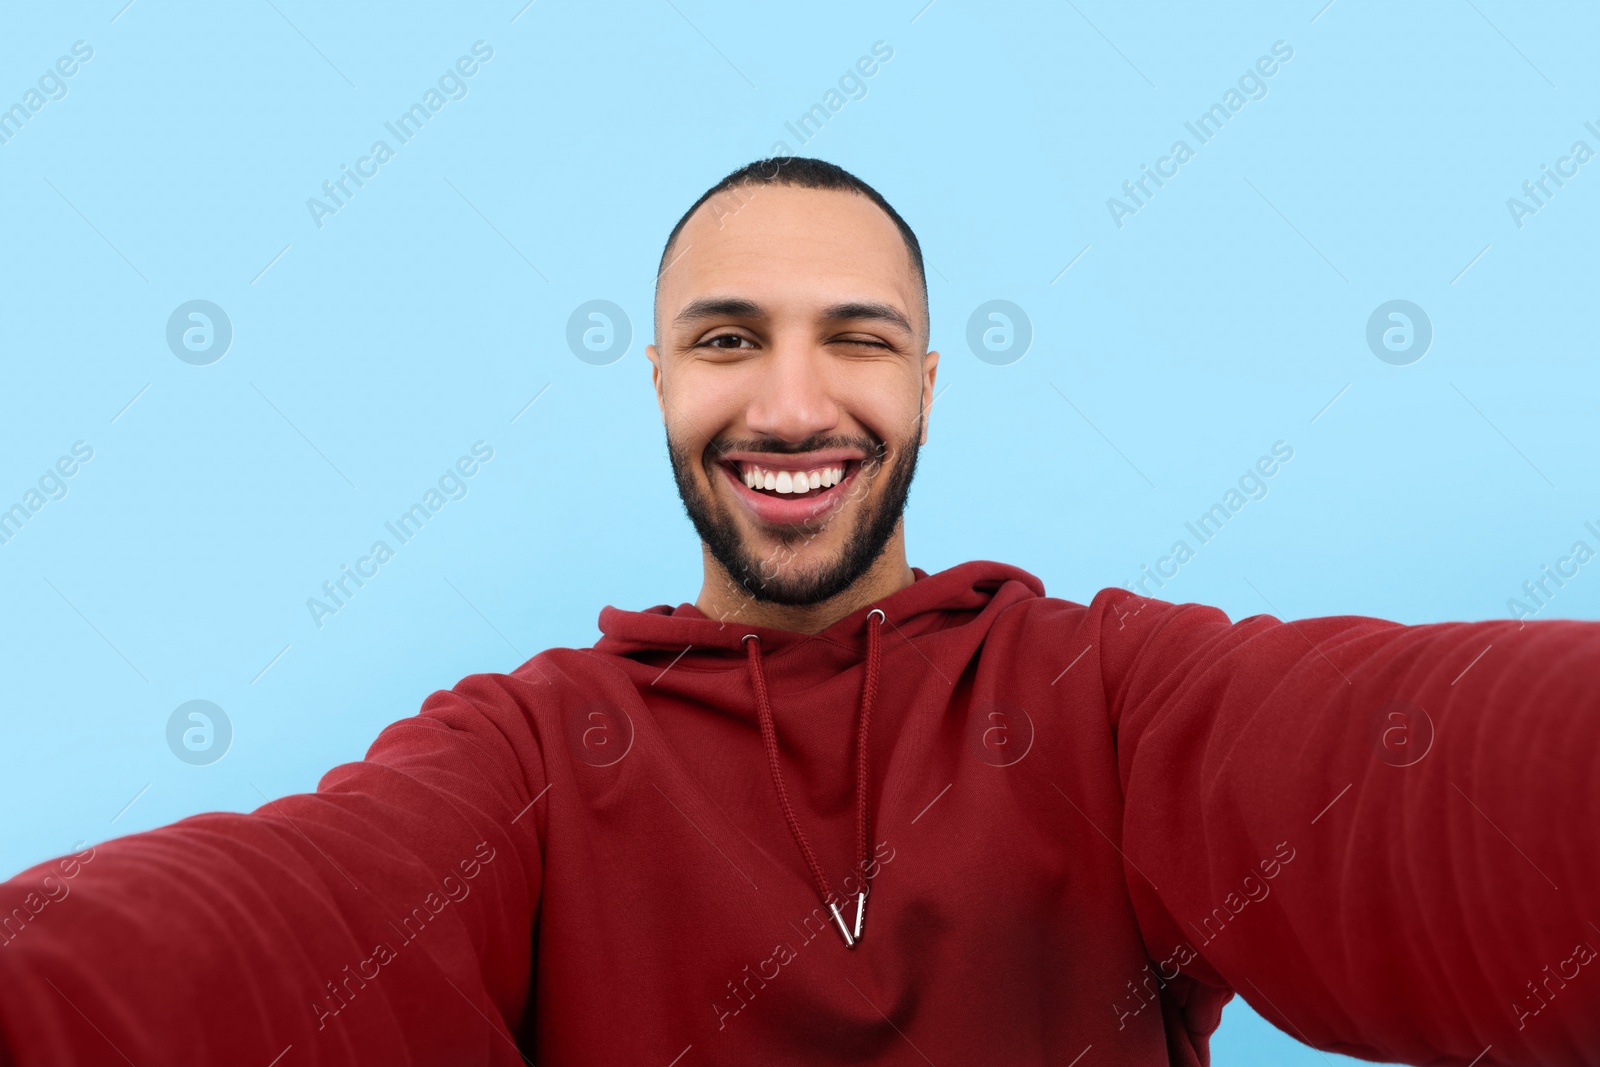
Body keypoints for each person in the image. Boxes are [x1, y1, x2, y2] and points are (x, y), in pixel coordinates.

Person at [1, 157, 1596, 1067]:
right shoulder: (534, 754)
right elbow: (279, 925)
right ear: (655, 382)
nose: (790, 402)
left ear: (922, 381)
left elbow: (1406, 777)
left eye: (854, 337)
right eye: (723, 340)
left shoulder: (1101, 694)